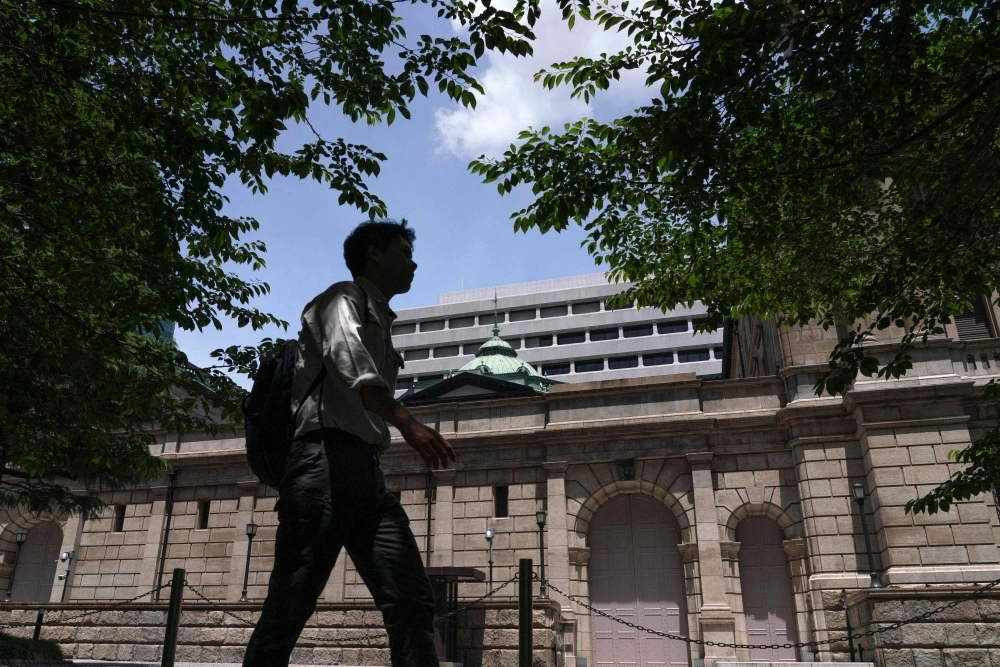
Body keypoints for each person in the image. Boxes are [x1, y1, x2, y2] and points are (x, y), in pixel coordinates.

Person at [243, 219, 456, 667]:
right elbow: (351, 367)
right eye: (403, 252)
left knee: (413, 603)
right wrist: (407, 422)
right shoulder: (341, 298)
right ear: (373, 255)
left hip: (366, 475)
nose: (413, 263)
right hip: (321, 466)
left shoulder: (379, 315)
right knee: (289, 608)